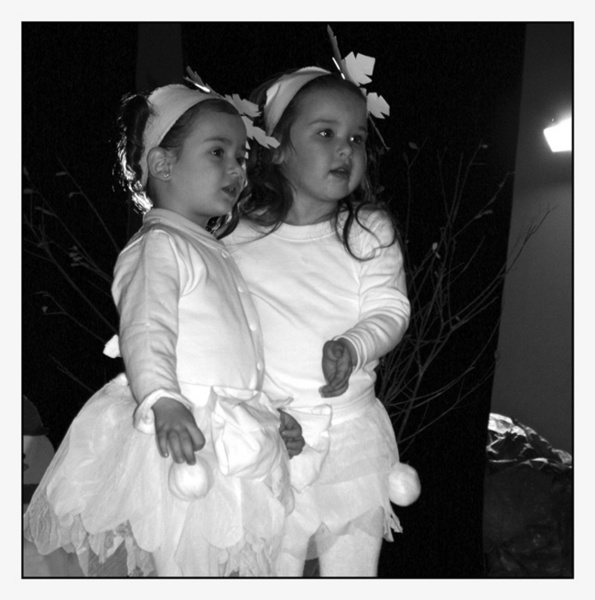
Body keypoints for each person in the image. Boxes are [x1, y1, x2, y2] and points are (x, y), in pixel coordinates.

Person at [23, 77, 305, 577]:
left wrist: (269, 411)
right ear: (162, 164)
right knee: (182, 560)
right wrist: (162, 399)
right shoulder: (159, 246)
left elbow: (236, 352)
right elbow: (146, 329)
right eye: (217, 152)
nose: (237, 169)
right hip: (180, 429)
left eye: (241, 156)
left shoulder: (212, 248)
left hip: (223, 432)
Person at [223, 53, 421, 577]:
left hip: (349, 435)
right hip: (272, 436)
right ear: (279, 148)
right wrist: (256, 410)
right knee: (271, 567)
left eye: (357, 138)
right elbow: (222, 333)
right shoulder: (235, 237)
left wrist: (354, 345)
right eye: (326, 133)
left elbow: (390, 308)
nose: (346, 149)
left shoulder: (369, 231)